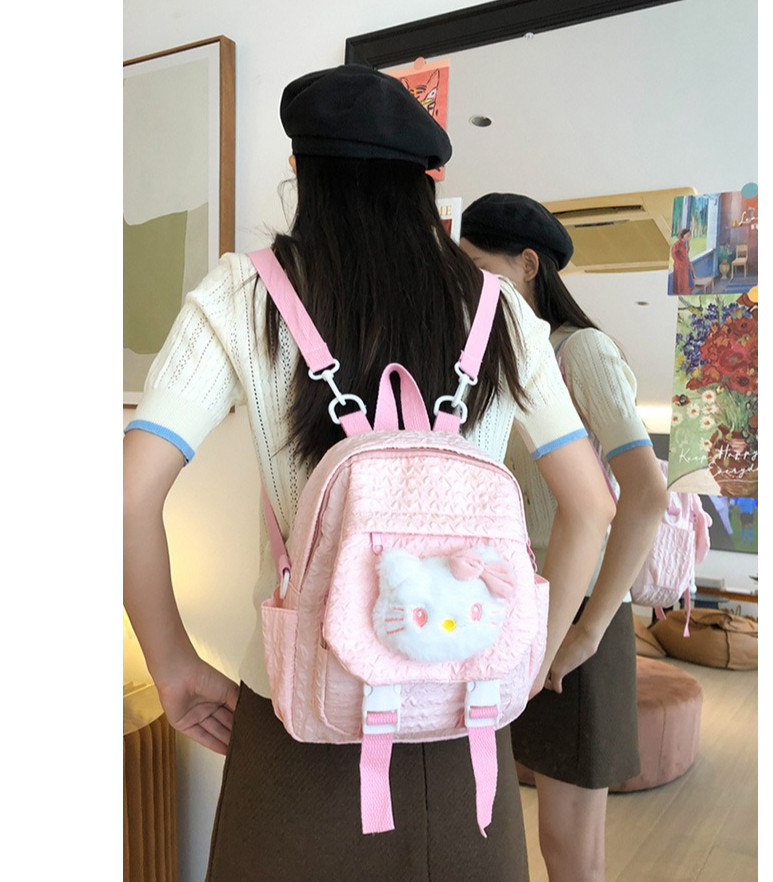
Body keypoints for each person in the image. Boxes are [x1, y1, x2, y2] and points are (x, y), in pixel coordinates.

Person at [122, 66, 615, 881]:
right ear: (429, 183)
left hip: (296, 727)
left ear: (301, 171)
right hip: (465, 729)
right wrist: (525, 664)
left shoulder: (245, 292)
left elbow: (126, 496)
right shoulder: (501, 312)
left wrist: (171, 665)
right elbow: (592, 507)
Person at [459, 192, 669, 882]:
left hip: (579, 614)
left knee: (570, 848)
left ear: (528, 266)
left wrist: (587, 632)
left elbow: (645, 493)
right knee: (521, 826)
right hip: (510, 605)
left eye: (478, 268)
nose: (468, 286)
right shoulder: (494, 359)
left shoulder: (581, 351)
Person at [671, 227, 694, 294]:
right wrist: (680, 262)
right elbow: (673, 254)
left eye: (689, 235)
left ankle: (687, 292)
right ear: (683, 235)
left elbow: (686, 254)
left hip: (685, 265)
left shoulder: (687, 243)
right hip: (679, 266)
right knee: (680, 282)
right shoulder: (677, 244)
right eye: (687, 235)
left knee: (687, 282)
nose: (688, 237)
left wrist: (689, 263)